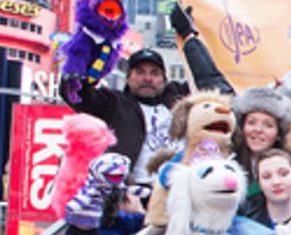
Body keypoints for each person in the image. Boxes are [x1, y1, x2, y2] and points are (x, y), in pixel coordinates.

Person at [58, 46, 234, 190]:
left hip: (182, 188)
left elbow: (212, 83)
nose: (147, 78)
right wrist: (77, 69)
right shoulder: (114, 103)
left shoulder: (182, 98)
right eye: (140, 72)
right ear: (128, 78)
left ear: (164, 79)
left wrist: (189, 36)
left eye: (155, 73)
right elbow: (77, 95)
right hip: (132, 193)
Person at [231, 85, 291, 199]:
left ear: (278, 134)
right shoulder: (229, 161)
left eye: (268, 125)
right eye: (251, 122)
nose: (258, 130)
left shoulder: (290, 166)